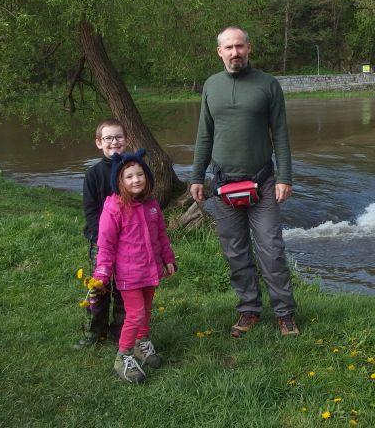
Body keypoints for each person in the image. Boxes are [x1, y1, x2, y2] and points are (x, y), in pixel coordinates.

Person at [190, 26, 300, 338]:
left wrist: (284, 177)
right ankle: (249, 309)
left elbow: (280, 134)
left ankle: (285, 314)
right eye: (229, 47)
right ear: (219, 52)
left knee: (271, 249)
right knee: (235, 251)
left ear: (249, 48)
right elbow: (204, 134)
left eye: (239, 46)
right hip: (223, 184)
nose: (235, 52)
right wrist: (197, 176)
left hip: (262, 182)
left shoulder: (268, 84)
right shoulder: (211, 85)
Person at [93, 149, 176, 383]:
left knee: (146, 311)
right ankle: (123, 356)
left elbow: (161, 236)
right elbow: (106, 245)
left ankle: (142, 343)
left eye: (140, 175)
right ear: (119, 181)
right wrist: (102, 273)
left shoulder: (151, 205)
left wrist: (168, 259)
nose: (136, 180)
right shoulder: (115, 208)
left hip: (151, 270)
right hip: (129, 274)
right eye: (129, 176)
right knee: (135, 313)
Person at [74, 119, 127, 349]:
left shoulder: (132, 170)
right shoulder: (93, 174)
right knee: (98, 288)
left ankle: (120, 330)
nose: (114, 142)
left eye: (118, 137)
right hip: (101, 242)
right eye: (108, 138)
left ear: (126, 140)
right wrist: (103, 239)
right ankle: (95, 331)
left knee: (124, 288)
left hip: (128, 243)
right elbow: (91, 211)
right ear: (99, 142)